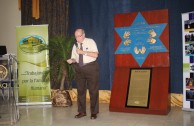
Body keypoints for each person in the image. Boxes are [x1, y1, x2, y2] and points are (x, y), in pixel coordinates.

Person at [67, 29, 99, 119]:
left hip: (91, 68)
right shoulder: (75, 45)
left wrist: (83, 52)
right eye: (76, 36)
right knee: (80, 91)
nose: (77, 38)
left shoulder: (90, 41)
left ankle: (94, 112)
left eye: (79, 36)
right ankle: (81, 112)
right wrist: (71, 60)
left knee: (93, 91)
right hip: (79, 69)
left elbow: (96, 55)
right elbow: (75, 58)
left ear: (84, 35)